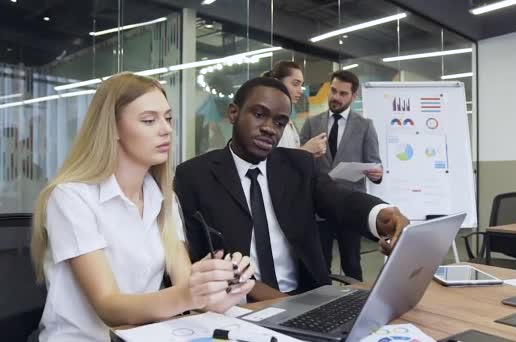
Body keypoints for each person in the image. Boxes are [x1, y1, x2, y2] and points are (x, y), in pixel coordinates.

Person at [30, 73, 255, 342]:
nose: (166, 129)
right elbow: (108, 306)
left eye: (168, 118)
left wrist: (222, 283)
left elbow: (187, 292)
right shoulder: (70, 197)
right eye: (149, 120)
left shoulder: (163, 197)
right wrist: (188, 294)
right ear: (112, 128)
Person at [174, 77, 409, 301]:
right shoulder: (195, 176)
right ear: (234, 113)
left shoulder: (299, 165)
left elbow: (341, 200)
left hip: (306, 298)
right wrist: (262, 294)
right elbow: (200, 255)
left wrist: (381, 215)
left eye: (279, 122)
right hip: (238, 303)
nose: (269, 128)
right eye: (258, 115)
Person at [300, 70, 383, 281]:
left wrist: (376, 174)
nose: (335, 97)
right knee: (320, 262)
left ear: (353, 96)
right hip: (319, 206)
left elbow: (375, 162)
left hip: (350, 205)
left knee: (352, 263)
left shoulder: (365, 126)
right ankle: (323, 307)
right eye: (333, 91)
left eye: (343, 94)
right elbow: (298, 163)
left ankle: (357, 305)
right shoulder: (311, 123)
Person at [262, 61, 327, 158]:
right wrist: (306, 150)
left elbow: (288, 160)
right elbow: (266, 161)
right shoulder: (266, 120)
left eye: (301, 85)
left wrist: (309, 153)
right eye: (295, 84)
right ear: (277, 83)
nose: (300, 91)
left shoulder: (288, 121)